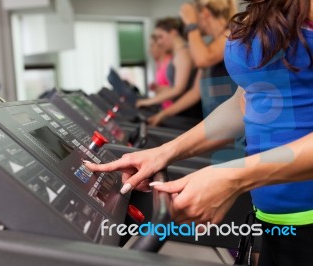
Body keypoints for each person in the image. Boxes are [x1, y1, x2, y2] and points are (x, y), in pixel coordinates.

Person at [85, 0, 313, 265]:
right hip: (275, 218)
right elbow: (246, 102)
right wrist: (164, 152)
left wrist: (233, 178)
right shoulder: (263, 9)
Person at [148, 0, 238, 126]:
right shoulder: (210, 45)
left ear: (205, 14)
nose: (186, 25)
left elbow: (202, 59)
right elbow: (196, 92)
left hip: (233, 124)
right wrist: (164, 114)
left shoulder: (231, 35)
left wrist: (191, 24)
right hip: (217, 121)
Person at [136, 18, 202, 120]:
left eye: (160, 37)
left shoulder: (183, 54)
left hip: (190, 113)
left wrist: (149, 101)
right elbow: (176, 87)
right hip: (183, 110)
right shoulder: (178, 54)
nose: (158, 42)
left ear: (173, 33)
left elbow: (178, 89)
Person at [148, 34, 173, 109]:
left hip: (174, 109)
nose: (150, 50)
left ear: (160, 46)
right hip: (164, 107)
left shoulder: (170, 62)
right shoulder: (158, 63)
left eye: (152, 46)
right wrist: (156, 87)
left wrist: (159, 88)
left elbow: (176, 89)